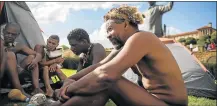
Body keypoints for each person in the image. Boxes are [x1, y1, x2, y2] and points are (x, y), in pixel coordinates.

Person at [51, 5, 188, 106]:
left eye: (110, 29)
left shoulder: (142, 38)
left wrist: (68, 90)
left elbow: (105, 74)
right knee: (100, 85)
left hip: (168, 103)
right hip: (150, 100)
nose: (108, 35)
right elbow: (100, 66)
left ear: (125, 24)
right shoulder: (126, 44)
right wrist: (69, 80)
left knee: (110, 80)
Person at [2, 22, 43, 96]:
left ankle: (36, 88)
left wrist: (35, 61)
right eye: (8, 33)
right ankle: (19, 89)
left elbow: (38, 55)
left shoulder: (16, 45)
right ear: (3, 31)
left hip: (13, 74)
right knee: (10, 55)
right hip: (2, 74)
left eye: (13, 34)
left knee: (32, 57)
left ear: (17, 35)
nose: (9, 36)